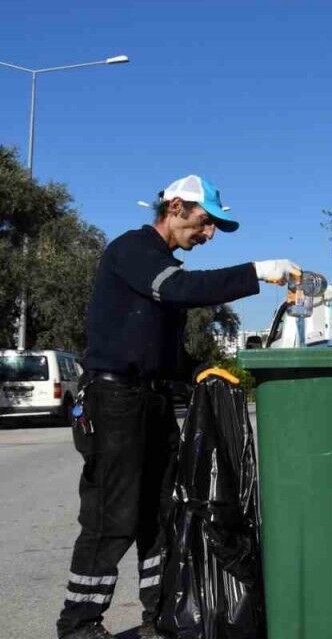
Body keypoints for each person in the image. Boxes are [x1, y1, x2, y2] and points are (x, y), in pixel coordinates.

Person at [57, 175, 298, 639]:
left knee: (161, 512)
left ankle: (161, 613)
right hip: (114, 400)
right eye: (205, 222)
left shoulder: (162, 265)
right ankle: (79, 623)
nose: (208, 234)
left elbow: (161, 350)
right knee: (112, 516)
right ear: (175, 208)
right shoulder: (133, 251)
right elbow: (180, 289)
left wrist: (199, 371)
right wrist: (256, 271)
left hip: (152, 400)